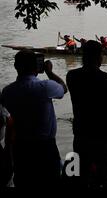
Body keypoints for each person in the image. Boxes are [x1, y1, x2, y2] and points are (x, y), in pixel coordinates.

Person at [0, 50, 67, 188]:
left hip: (21, 149)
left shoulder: (7, 92)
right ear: (37, 67)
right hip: (45, 148)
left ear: (15, 67)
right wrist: (49, 72)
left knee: (25, 182)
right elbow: (63, 88)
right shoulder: (45, 87)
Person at [66, 40, 107, 188]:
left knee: (82, 175)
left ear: (83, 56)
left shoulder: (72, 76)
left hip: (81, 133)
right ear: (99, 57)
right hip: (103, 135)